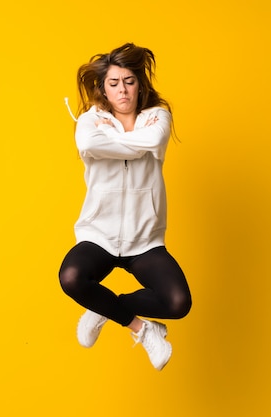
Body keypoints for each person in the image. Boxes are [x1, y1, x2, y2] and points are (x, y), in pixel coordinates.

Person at [58, 43, 192, 371]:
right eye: (114, 83)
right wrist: (132, 142)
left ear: (140, 84)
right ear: (102, 88)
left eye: (129, 81)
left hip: (144, 240)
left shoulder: (157, 115)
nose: (123, 90)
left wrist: (113, 143)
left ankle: (105, 308)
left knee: (179, 302)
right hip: (99, 235)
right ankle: (141, 329)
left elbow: (155, 140)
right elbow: (88, 143)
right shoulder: (91, 121)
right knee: (71, 277)